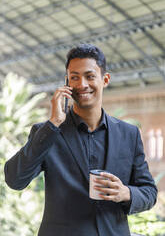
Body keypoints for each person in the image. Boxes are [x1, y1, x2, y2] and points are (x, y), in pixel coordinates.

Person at [4, 43, 157, 236]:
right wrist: (52, 124)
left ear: (105, 79)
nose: (82, 84)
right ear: (67, 82)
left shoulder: (129, 134)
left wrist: (125, 193)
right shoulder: (48, 132)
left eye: (90, 76)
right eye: (74, 77)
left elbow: (149, 192)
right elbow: (14, 180)